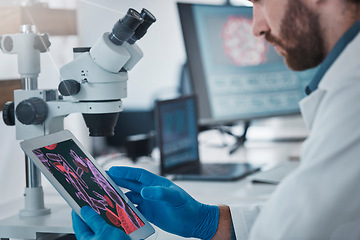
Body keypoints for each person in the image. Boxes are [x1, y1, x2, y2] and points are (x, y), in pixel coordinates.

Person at [72, 0, 360, 239]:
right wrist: (212, 221)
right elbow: (313, 222)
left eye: (260, 2)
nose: (257, 27)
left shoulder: (352, 99)